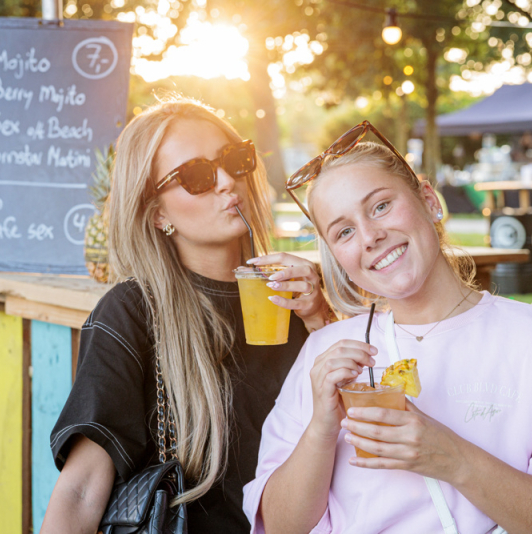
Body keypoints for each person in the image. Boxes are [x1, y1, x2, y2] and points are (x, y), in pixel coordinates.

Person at [243, 126, 532, 533]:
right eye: (343, 231)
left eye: (380, 206)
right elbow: (277, 525)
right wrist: (321, 430)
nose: (370, 236)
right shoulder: (325, 353)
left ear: (430, 201)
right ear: (337, 256)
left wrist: (451, 458)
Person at [41, 97, 331, 533]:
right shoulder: (133, 313)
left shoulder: (301, 295)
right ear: (157, 213)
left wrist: (321, 318)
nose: (227, 182)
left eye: (234, 160)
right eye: (195, 176)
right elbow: (82, 489)